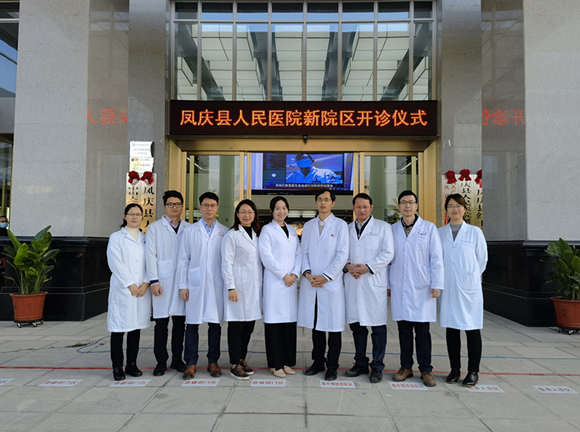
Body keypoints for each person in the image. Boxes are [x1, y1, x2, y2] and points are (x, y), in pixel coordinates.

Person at [388, 190, 444, 387]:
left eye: (411, 202)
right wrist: (388, 284)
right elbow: (388, 260)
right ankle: (405, 367)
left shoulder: (428, 228)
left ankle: (426, 370)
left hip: (422, 287)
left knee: (422, 331)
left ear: (416, 205)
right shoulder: (392, 230)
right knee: (403, 331)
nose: (407, 206)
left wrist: (437, 283)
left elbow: (436, 257)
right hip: (400, 285)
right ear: (399, 206)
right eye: (403, 202)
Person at [175, 192, 229, 379]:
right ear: (200, 207)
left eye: (212, 205)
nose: (209, 209)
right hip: (195, 284)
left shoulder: (224, 231)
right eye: (205, 205)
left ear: (217, 207)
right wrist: (183, 285)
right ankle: (190, 363)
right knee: (192, 325)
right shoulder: (190, 231)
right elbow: (183, 260)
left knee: (215, 325)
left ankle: (213, 362)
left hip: (217, 284)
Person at [298, 189, 349, 381]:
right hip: (312, 282)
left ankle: (332, 366)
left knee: (333, 328)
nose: (323, 203)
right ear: (316, 202)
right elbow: (303, 252)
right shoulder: (309, 225)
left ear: (333, 203)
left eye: (326, 199)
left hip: (330, 284)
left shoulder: (341, 225)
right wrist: (308, 273)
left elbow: (342, 254)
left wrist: (326, 276)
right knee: (316, 326)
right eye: (319, 199)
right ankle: (318, 361)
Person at [344, 193, 394, 384]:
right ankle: (360, 363)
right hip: (353, 282)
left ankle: (377, 366)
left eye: (365, 206)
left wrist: (367, 267)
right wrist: (348, 266)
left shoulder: (383, 227)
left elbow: (388, 253)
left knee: (378, 328)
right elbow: (341, 253)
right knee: (357, 327)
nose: (362, 210)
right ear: (353, 208)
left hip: (373, 282)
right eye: (358, 206)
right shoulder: (347, 229)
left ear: (371, 207)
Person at [438, 193, 488, 387]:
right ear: (446, 210)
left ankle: (473, 371)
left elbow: (482, 260)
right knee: (452, 329)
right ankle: (455, 369)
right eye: (451, 206)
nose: (455, 209)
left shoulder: (474, 232)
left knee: (471, 328)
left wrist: (469, 277)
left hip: (468, 288)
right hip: (448, 288)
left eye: (458, 206)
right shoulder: (439, 233)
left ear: (464, 209)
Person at [145, 191, 190, 376]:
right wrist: (153, 280)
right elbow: (150, 255)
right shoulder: (155, 228)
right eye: (170, 204)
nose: (174, 207)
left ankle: (177, 359)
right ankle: (161, 362)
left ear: (182, 206)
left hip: (182, 283)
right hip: (162, 282)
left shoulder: (189, 228)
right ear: (164, 207)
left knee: (180, 324)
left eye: (178, 204)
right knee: (161, 324)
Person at [106, 203, 151, 381]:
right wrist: (130, 284)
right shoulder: (116, 237)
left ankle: (132, 364)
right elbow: (115, 262)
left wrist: (145, 283)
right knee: (118, 329)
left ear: (142, 217)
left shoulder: (145, 238)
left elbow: (150, 262)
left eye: (138, 214)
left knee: (135, 329)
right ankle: (117, 366)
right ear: (125, 216)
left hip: (141, 290)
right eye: (131, 214)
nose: (134, 217)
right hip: (123, 289)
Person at [259, 196, 301, 378]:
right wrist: (284, 275)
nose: (281, 211)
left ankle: (286, 362)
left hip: (290, 282)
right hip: (275, 282)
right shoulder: (267, 230)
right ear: (271, 211)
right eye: (277, 208)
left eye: (284, 208)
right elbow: (266, 256)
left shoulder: (291, 230)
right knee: (274, 325)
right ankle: (275, 364)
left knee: (288, 324)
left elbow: (298, 253)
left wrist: (295, 274)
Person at [221, 199, 262, 380]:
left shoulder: (257, 234)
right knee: (236, 327)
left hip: (253, 288)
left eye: (250, 212)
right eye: (243, 212)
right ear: (237, 214)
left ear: (255, 215)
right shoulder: (232, 235)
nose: (247, 215)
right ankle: (234, 364)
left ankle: (241, 358)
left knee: (248, 327)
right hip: (237, 288)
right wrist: (231, 287)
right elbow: (226, 263)